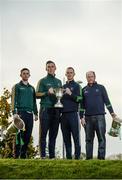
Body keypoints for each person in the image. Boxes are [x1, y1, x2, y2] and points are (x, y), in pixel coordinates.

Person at [80, 71, 116, 160]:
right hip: (87, 118)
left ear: (95, 77)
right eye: (88, 76)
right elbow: (81, 106)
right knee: (88, 139)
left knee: (101, 138)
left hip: (100, 117)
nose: (90, 78)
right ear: (86, 78)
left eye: (91, 76)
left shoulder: (101, 88)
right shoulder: (83, 90)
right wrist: (81, 117)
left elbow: (107, 101)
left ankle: (101, 159)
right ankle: (89, 159)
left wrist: (112, 113)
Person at [36, 60, 62, 159]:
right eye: (49, 67)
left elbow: (61, 96)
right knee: (43, 134)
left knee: (53, 134)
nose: (50, 68)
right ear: (46, 68)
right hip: (45, 109)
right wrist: (47, 92)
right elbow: (37, 94)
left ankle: (52, 156)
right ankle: (43, 156)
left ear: (55, 68)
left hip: (56, 110)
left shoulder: (59, 82)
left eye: (52, 66)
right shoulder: (42, 81)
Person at [11, 68, 38, 159]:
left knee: (28, 135)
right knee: (19, 135)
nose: (25, 75)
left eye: (27, 74)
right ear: (21, 75)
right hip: (20, 113)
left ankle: (23, 155)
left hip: (30, 114)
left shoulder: (32, 88)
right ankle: (16, 154)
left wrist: (36, 113)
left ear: (29, 75)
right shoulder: (17, 86)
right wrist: (14, 113)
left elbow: (34, 102)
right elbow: (13, 100)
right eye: (24, 73)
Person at [60, 67, 82, 159]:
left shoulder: (77, 86)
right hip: (63, 115)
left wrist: (71, 94)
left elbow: (80, 99)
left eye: (71, 73)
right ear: (66, 74)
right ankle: (68, 158)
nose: (69, 74)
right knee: (66, 138)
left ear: (74, 74)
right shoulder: (62, 87)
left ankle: (77, 157)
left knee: (76, 137)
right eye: (67, 73)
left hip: (73, 114)